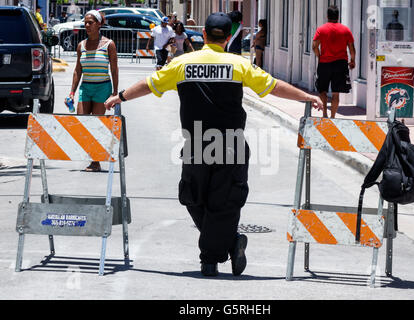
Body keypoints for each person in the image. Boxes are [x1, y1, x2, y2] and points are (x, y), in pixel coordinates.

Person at [104, 12, 323, 277]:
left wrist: (121, 97)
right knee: (225, 201)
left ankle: (210, 258)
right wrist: (306, 96)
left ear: (204, 34)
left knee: (193, 197)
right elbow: (273, 86)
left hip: (196, 143)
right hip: (230, 143)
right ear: (229, 37)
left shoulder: (182, 63)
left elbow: (149, 85)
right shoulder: (238, 64)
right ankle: (230, 243)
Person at [69, 10, 119, 172]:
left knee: (97, 124)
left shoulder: (109, 44)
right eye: (85, 22)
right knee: (82, 122)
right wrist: (72, 92)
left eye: (90, 22)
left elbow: (114, 69)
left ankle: (95, 161)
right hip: (85, 87)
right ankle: (91, 155)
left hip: (102, 87)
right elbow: (78, 70)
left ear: (99, 24)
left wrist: (115, 93)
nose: (87, 25)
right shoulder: (81, 45)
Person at [312, 5, 356, 119]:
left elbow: (314, 46)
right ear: (338, 16)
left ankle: (325, 114)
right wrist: (352, 61)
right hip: (341, 64)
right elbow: (352, 49)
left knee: (322, 90)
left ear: (327, 16)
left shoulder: (321, 29)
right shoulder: (346, 30)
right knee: (336, 93)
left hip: (325, 63)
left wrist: (319, 56)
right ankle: (333, 117)